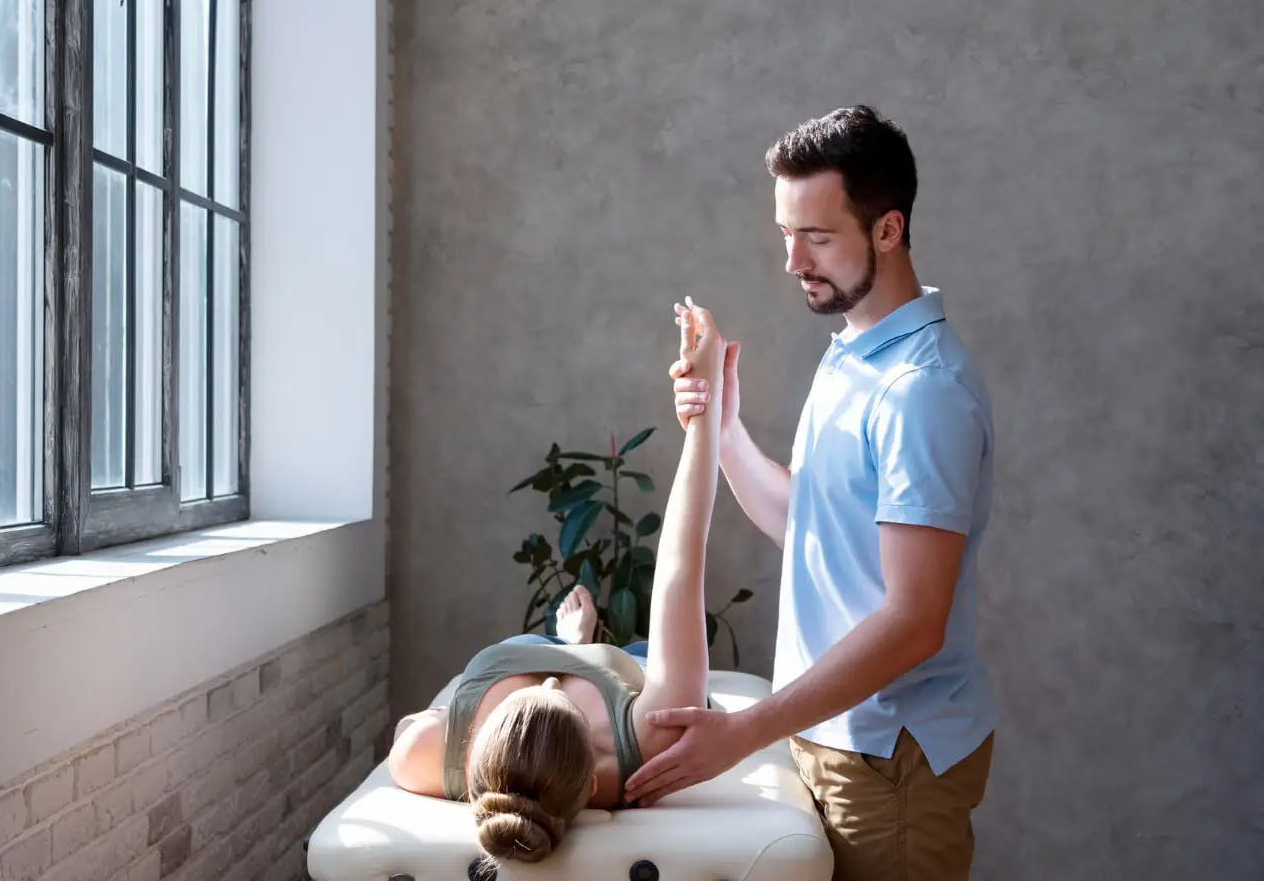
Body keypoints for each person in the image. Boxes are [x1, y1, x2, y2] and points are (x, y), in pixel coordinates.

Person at [623, 106, 998, 881]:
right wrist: (721, 428)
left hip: (890, 765)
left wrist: (746, 730)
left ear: (888, 230)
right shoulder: (854, 353)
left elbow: (914, 621)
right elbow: (811, 525)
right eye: (786, 232)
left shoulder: (920, 391)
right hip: (832, 740)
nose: (793, 260)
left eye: (817, 237)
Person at [387, 300, 730, 866]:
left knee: (561, 654)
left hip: (527, 657)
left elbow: (414, 724)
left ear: (476, 768)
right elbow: (679, 570)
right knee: (642, 656)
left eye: (530, 696)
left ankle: (575, 641)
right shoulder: (650, 747)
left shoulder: (428, 757)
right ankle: (587, 642)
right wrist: (705, 406)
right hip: (623, 673)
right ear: (597, 787)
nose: (548, 686)